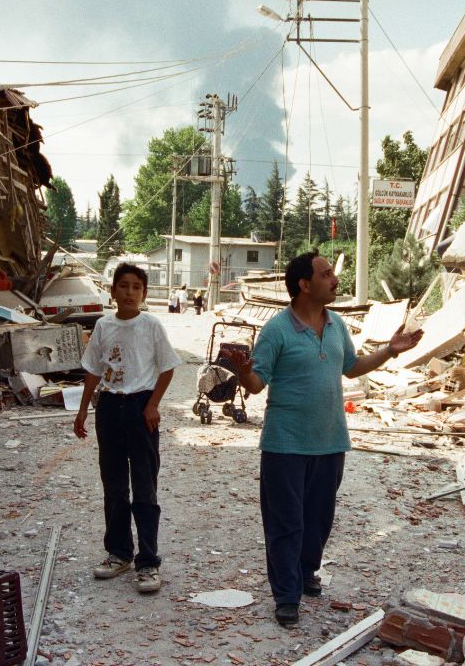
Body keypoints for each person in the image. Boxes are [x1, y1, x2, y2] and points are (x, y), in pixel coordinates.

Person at [225, 251, 422, 627]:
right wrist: (244, 371)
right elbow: (255, 385)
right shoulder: (278, 330)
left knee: (319, 520)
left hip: (331, 441)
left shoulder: (336, 325)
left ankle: (305, 570)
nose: (334, 280)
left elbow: (351, 367)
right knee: (285, 522)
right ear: (304, 284)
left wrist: (389, 351)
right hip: (285, 444)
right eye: (327, 274)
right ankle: (286, 595)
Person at [74, 264, 182, 594]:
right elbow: (93, 370)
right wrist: (82, 411)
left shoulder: (151, 325)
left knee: (145, 488)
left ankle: (148, 562)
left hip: (140, 408)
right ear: (113, 291)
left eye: (137, 287)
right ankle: (119, 553)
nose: (130, 292)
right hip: (110, 408)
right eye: (123, 286)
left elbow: (167, 368)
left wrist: (152, 405)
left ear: (144, 293)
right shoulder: (104, 326)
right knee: (115, 486)